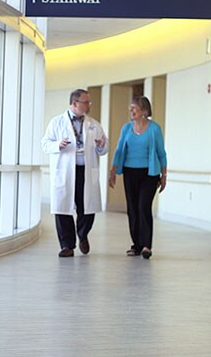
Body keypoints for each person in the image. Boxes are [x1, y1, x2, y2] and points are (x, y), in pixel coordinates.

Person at [41, 89, 108, 257]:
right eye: (86, 102)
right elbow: (45, 144)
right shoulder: (57, 122)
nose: (89, 105)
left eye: (89, 102)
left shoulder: (93, 124)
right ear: (74, 104)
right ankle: (67, 246)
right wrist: (58, 145)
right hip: (65, 171)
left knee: (87, 208)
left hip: (85, 171)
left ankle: (83, 234)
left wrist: (101, 145)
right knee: (62, 208)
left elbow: (104, 148)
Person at [108, 96, 167, 259]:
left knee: (143, 207)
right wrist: (113, 171)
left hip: (150, 173)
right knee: (132, 209)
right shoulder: (126, 128)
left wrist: (164, 175)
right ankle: (137, 244)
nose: (131, 110)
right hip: (130, 172)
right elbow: (119, 150)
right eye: (130, 107)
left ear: (145, 111)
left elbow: (161, 153)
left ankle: (147, 245)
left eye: (134, 107)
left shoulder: (154, 129)